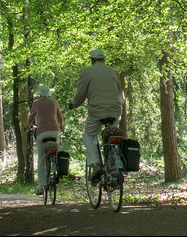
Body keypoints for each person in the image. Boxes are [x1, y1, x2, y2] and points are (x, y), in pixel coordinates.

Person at [67, 49, 123, 182]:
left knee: (88, 135)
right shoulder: (114, 71)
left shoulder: (87, 72)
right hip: (115, 110)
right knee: (112, 132)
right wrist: (118, 106)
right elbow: (121, 94)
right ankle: (114, 163)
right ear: (104, 59)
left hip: (96, 112)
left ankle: (96, 163)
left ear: (92, 60)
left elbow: (81, 94)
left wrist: (74, 104)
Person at [26, 85, 64, 194]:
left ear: (40, 94)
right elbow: (60, 118)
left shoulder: (36, 103)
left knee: (42, 158)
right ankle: (55, 170)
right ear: (49, 94)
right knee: (55, 150)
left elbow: (30, 118)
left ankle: (41, 186)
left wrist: (27, 126)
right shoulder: (54, 102)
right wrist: (61, 126)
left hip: (42, 133)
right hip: (54, 132)